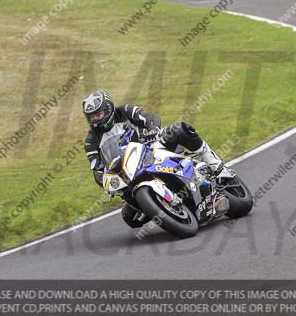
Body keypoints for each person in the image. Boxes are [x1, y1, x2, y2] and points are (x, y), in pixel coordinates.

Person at [82, 90, 231, 227]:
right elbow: (96, 168)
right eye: (92, 117)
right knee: (130, 218)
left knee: (180, 129)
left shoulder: (124, 111)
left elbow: (148, 117)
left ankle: (216, 166)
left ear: (108, 109)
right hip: (127, 173)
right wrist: (107, 182)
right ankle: (165, 208)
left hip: (151, 149)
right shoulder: (91, 140)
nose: (95, 120)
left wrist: (152, 129)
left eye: (98, 114)